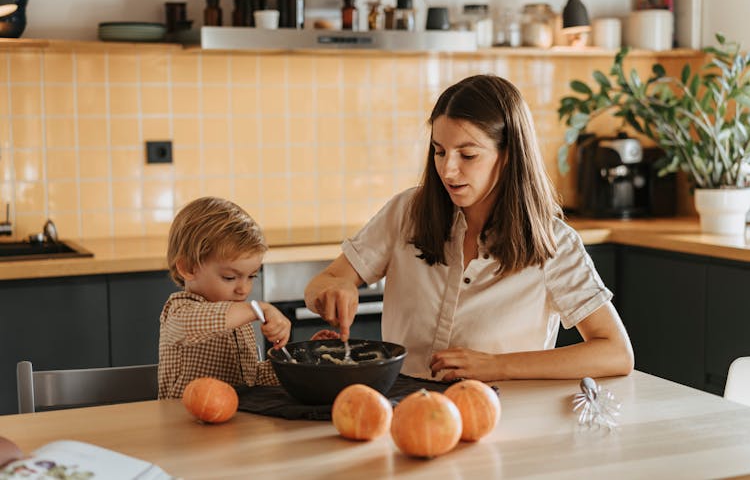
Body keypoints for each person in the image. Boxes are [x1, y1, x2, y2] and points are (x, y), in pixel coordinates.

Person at [304, 74, 634, 382]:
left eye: (468, 155)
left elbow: (616, 352)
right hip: (404, 406)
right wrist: (334, 288)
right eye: (440, 151)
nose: (448, 170)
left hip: (503, 415)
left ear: (508, 156)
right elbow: (325, 282)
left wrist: (496, 366)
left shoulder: (554, 243)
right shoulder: (407, 212)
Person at [158, 196, 291, 399]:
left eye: (252, 276)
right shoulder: (178, 311)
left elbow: (251, 379)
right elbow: (196, 324)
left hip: (235, 422)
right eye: (230, 277)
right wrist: (257, 308)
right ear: (188, 268)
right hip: (185, 424)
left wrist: (303, 363)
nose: (244, 289)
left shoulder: (239, 319)